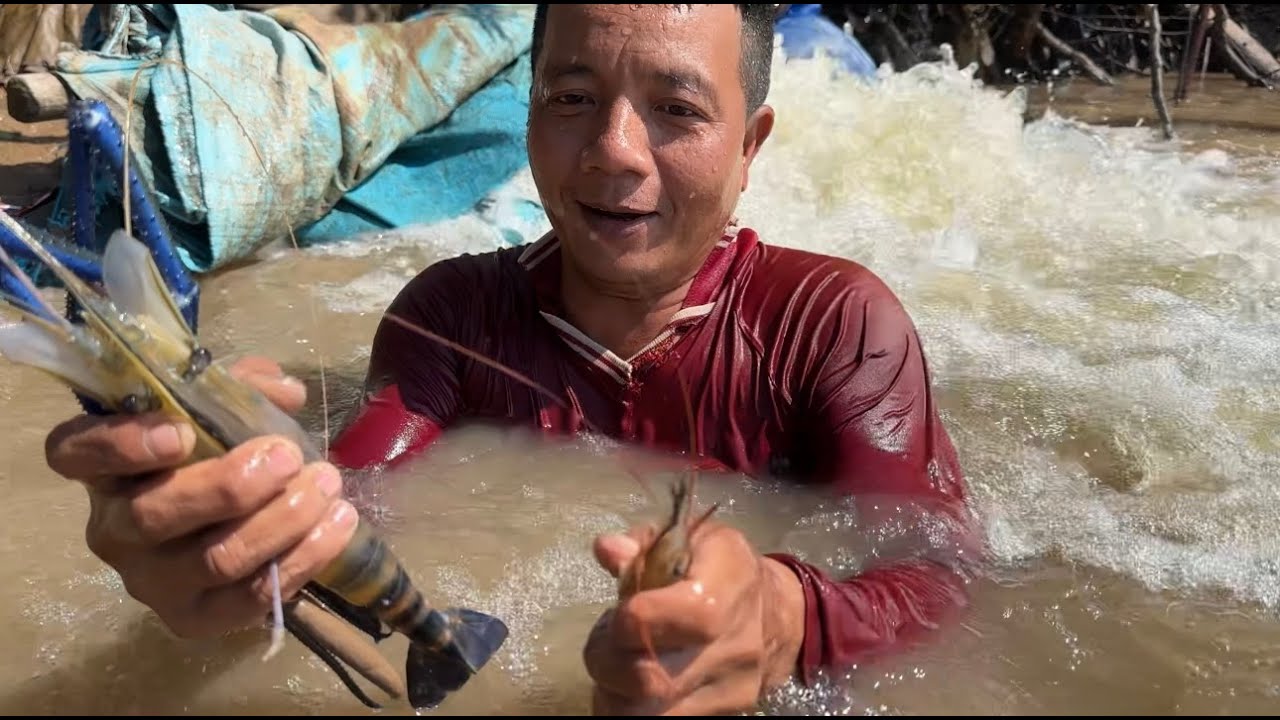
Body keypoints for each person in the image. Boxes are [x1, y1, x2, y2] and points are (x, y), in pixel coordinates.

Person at [42, 4, 982, 715]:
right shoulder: (451, 313)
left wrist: (786, 621)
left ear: (752, 147)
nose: (613, 153)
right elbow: (352, 498)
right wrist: (240, 537)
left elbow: (935, 569)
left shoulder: (836, 323)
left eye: (677, 110)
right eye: (572, 99)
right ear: (527, 114)